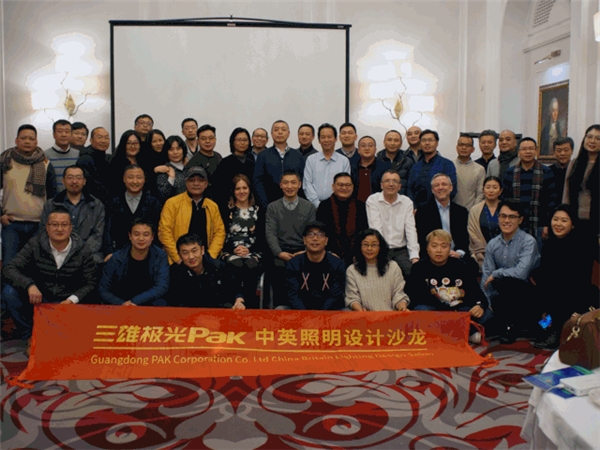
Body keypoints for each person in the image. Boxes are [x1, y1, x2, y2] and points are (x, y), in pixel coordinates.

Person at [2, 208, 96, 348]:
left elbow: (91, 282)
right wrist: (29, 285)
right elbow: (9, 269)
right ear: (47, 227)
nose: (59, 229)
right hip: (40, 298)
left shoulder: (83, 249)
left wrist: (72, 300)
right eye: (54, 224)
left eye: (64, 225)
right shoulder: (35, 244)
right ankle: (30, 336)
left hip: (67, 301)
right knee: (9, 292)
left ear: (71, 228)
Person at [530, 205, 598, 349]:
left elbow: (579, 281)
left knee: (561, 292)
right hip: (554, 294)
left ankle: (556, 332)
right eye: (555, 219)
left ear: (572, 225)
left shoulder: (582, 245)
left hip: (578, 295)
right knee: (536, 290)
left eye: (564, 220)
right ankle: (548, 325)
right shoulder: (549, 245)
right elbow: (546, 277)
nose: (558, 224)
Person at [407, 229, 492, 343]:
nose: (439, 250)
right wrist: (446, 311)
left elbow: (477, 293)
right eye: (434, 246)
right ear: (427, 248)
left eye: (444, 246)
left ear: (450, 249)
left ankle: (444, 333)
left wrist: (480, 306)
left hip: (458, 312)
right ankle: (463, 332)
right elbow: (413, 299)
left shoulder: (461, 265)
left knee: (487, 313)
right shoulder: (419, 268)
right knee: (421, 311)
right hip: (435, 313)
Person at [481, 200, 540, 344]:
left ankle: (512, 326)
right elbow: (486, 276)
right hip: (500, 297)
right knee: (483, 322)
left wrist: (496, 274)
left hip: (527, 294)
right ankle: (503, 323)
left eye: (512, 217)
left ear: (520, 220)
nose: (506, 221)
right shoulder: (493, 244)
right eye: (503, 216)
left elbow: (521, 274)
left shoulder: (528, 242)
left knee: (508, 283)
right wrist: (486, 304)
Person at [1, 124, 57, 265]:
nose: (27, 141)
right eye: (23, 138)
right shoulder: (5, 162)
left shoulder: (45, 164)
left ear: (36, 142)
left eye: (31, 139)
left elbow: (52, 196)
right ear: (16, 140)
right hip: (12, 225)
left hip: (39, 225)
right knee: (10, 266)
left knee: (36, 267)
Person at [265, 170, 316, 307]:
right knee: (277, 268)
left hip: (303, 251)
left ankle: (305, 308)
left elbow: (312, 233)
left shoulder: (309, 207)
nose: (289, 186)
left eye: (293, 183)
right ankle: (281, 308)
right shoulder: (273, 207)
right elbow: (270, 233)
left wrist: (305, 251)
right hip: (281, 251)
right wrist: (279, 253)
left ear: (299, 184)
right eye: (286, 183)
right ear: (280, 185)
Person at [158, 166, 225, 263]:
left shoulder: (212, 206)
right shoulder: (172, 203)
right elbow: (164, 232)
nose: (196, 183)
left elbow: (219, 233)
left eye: (200, 180)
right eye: (192, 180)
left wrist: (210, 257)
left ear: (206, 184)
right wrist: (178, 259)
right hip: (177, 260)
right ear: (186, 182)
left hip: (206, 259)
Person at [40, 165, 105, 264]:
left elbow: (98, 235)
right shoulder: (51, 205)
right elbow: (43, 232)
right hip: (56, 253)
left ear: (84, 181)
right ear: (63, 181)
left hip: (88, 255)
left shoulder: (96, 205)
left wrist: (79, 254)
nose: (74, 181)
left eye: (78, 178)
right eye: (70, 178)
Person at [99, 218, 169, 306]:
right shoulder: (116, 258)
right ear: (130, 236)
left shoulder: (160, 256)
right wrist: (122, 304)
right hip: (121, 302)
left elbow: (162, 286)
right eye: (136, 234)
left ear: (152, 237)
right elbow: (103, 289)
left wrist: (134, 302)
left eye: (146, 234)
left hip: (148, 301)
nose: (141, 238)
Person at [280, 221, 346, 310]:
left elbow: (335, 296)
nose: (315, 238)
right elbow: (293, 295)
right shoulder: (293, 264)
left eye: (320, 234)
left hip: (329, 312)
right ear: (304, 240)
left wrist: (320, 315)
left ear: (326, 240)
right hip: (300, 312)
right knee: (280, 309)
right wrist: (306, 315)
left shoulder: (337, 264)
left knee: (347, 311)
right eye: (310, 234)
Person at [169, 233, 245, 309]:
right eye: (185, 253)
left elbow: (236, 289)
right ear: (180, 255)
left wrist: (239, 301)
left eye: (194, 251)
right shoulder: (175, 273)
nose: (191, 257)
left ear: (202, 250)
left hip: (218, 311)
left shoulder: (219, 267)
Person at [220, 174, 263, 309]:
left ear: (249, 189)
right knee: (236, 263)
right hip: (230, 250)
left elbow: (262, 236)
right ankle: (237, 300)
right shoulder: (226, 211)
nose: (241, 191)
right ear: (233, 191)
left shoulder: (259, 210)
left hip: (253, 250)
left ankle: (248, 304)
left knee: (250, 264)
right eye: (238, 188)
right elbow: (221, 234)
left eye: (244, 188)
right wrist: (234, 249)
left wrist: (249, 250)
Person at [502, 137, 556, 242]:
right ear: (519, 152)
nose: (528, 152)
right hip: (515, 223)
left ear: (536, 151)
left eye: (531, 148)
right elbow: (505, 199)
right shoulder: (510, 172)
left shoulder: (546, 172)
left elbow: (551, 200)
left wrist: (547, 224)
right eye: (524, 149)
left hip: (539, 224)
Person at [366, 169, 419, 277]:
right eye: (387, 181)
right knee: (380, 276)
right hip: (381, 249)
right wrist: (380, 254)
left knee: (413, 274)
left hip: (401, 250)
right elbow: (376, 229)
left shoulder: (407, 202)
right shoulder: (373, 200)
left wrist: (414, 257)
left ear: (399, 186)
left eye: (395, 181)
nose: (391, 184)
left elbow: (410, 230)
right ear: (381, 185)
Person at [345, 228, 409, 312]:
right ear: (359, 247)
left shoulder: (393, 267)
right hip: (365, 316)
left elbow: (398, 295)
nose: (369, 248)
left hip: (391, 316)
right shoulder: (352, 270)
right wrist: (359, 309)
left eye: (374, 245)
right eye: (365, 245)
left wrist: (402, 308)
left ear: (380, 247)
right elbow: (353, 298)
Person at [105, 165, 161, 256]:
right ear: (124, 179)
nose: (135, 181)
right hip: (119, 252)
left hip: (148, 253)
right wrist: (109, 252)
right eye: (130, 177)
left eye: (139, 177)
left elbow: (158, 231)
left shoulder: (153, 203)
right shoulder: (114, 203)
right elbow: (107, 230)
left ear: (144, 180)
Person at [316, 172, 368, 267]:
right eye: (340, 185)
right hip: (329, 254)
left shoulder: (360, 206)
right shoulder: (324, 206)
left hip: (356, 255)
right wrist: (329, 253)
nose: (344, 188)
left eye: (348, 185)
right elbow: (321, 233)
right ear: (333, 186)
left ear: (353, 187)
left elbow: (363, 232)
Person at [415, 173, 469, 262]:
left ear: (451, 187)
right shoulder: (423, 212)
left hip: (456, 255)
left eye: (444, 184)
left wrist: (459, 253)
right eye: (437, 185)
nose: (441, 187)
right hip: (432, 257)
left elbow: (465, 238)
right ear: (432, 190)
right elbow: (422, 240)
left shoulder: (461, 212)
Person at [562, 124, 600, 251]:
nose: (592, 141)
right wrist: (565, 217)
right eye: (589, 137)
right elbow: (566, 192)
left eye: (598, 138)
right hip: (574, 220)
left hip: (596, 223)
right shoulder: (574, 163)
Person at [254, 120, 305, 208]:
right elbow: (258, 182)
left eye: (283, 129)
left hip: (294, 205)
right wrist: (266, 205)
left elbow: (303, 180)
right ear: (271, 134)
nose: (280, 132)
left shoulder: (298, 155)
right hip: (269, 205)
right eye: (276, 130)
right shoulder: (263, 155)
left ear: (288, 134)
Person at [406, 129, 457, 210]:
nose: (427, 143)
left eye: (430, 140)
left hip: (440, 209)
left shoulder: (446, 164)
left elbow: (452, 189)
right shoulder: (415, 167)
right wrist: (413, 207)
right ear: (420, 144)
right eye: (424, 140)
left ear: (437, 143)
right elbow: (410, 189)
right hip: (418, 210)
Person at [303, 123, 350, 208]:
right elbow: (307, 184)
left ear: (335, 139)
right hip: (314, 206)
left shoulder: (344, 161)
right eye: (323, 137)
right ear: (319, 140)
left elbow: (345, 185)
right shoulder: (311, 159)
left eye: (329, 137)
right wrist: (318, 205)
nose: (326, 140)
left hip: (337, 206)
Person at [212, 127, 255, 208]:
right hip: (229, 205)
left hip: (249, 205)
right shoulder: (225, 163)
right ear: (232, 142)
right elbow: (218, 188)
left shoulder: (252, 163)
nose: (242, 143)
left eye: (245, 140)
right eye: (239, 140)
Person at [468, 176, 503, 270]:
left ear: (500, 191)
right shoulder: (475, 210)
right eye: (488, 187)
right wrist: (486, 250)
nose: (491, 190)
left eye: (495, 187)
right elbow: (472, 232)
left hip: (504, 253)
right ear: (483, 189)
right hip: (480, 253)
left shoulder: (505, 208)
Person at [77, 127, 111, 205]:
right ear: (91, 140)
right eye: (99, 137)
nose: (103, 141)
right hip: (91, 204)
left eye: (106, 138)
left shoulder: (108, 158)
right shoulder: (85, 159)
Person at [351, 136, 390, 203]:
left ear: (375, 150)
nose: (367, 148)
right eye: (363, 146)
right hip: (355, 206)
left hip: (378, 205)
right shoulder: (352, 167)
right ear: (358, 150)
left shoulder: (384, 167)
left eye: (370, 145)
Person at [376, 130, 414, 195]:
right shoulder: (377, 160)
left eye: (396, 140)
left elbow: (411, 186)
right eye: (389, 140)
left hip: (402, 199)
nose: (392, 143)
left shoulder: (408, 161)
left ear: (401, 144)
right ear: (384, 142)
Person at [453, 134, 485, 211]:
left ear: (473, 149)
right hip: (451, 211)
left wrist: (474, 211)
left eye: (467, 145)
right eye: (461, 145)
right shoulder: (449, 166)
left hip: (471, 211)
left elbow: (480, 194)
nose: (464, 147)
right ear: (457, 147)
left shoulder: (480, 169)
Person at [44, 119, 78, 192]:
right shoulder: (45, 155)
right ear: (54, 134)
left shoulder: (78, 154)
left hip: (74, 196)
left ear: (71, 134)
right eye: (60, 131)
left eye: (67, 131)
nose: (63, 135)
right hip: (53, 198)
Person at [108, 130, 143, 198]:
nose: (133, 146)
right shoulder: (115, 162)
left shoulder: (144, 161)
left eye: (136, 143)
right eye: (128, 143)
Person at [155, 135, 188, 204]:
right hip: (172, 208)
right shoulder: (164, 170)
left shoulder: (189, 168)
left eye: (178, 148)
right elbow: (162, 196)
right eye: (171, 149)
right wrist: (171, 178)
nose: (175, 152)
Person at [549, 136, 574, 202]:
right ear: (554, 152)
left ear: (572, 151)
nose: (562, 153)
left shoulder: (577, 170)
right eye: (559, 150)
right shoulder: (547, 171)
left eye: (566, 150)